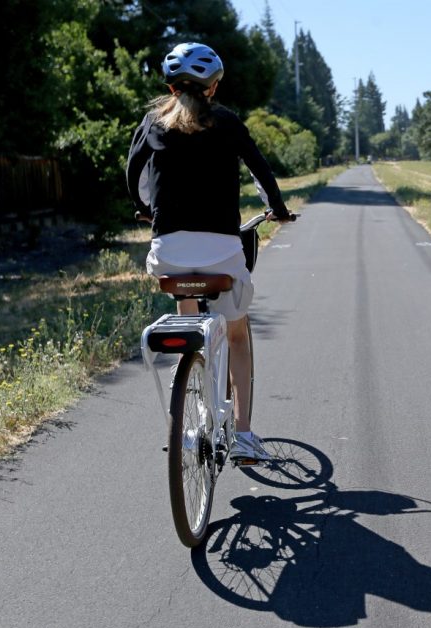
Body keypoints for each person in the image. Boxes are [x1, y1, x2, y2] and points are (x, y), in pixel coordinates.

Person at [126, 42, 293, 465]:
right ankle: (244, 436)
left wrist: (146, 210)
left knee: (188, 317)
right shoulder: (228, 122)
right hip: (221, 250)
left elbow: (133, 174)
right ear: (213, 87)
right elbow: (260, 170)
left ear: (170, 86)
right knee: (236, 335)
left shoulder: (153, 122)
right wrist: (277, 209)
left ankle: (187, 393)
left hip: (168, 252)